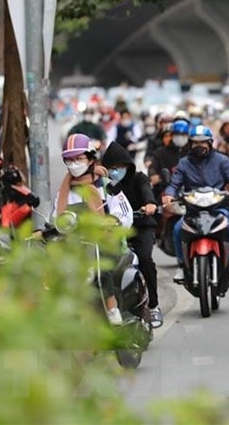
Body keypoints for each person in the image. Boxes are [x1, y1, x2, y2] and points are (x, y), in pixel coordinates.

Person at [53, 134, 133, 326]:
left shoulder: (106, 187)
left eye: (79, 158)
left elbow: (125, 213)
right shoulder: (64, 192)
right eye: (69, 160)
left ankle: (111, 305)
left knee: (100, 264)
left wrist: (113, 222)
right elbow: (57, 217)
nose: (74, 164)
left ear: (90, 159)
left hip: (106, 243)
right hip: (75, 246)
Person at [161, 125, 229, 284]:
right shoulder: (184, 163)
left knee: (227, 227)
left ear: (210, 143)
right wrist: (169, 195)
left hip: (218, 207)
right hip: (192, 210)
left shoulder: (222, 160)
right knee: (178, 229)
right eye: (195, 143)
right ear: (190, 144)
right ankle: (182, 265)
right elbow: (174, 184)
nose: (199, 146)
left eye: (203, 142)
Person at [101, 141, 163, 328]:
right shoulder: (101, 186)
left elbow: (147, 193)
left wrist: (150, 204)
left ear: (128, 166)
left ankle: (153, 306)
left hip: (140, 227)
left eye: (120, 167)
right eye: (111, 168)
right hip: (112, 232)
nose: (116, 171)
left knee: (145, 260)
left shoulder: (139, 178)